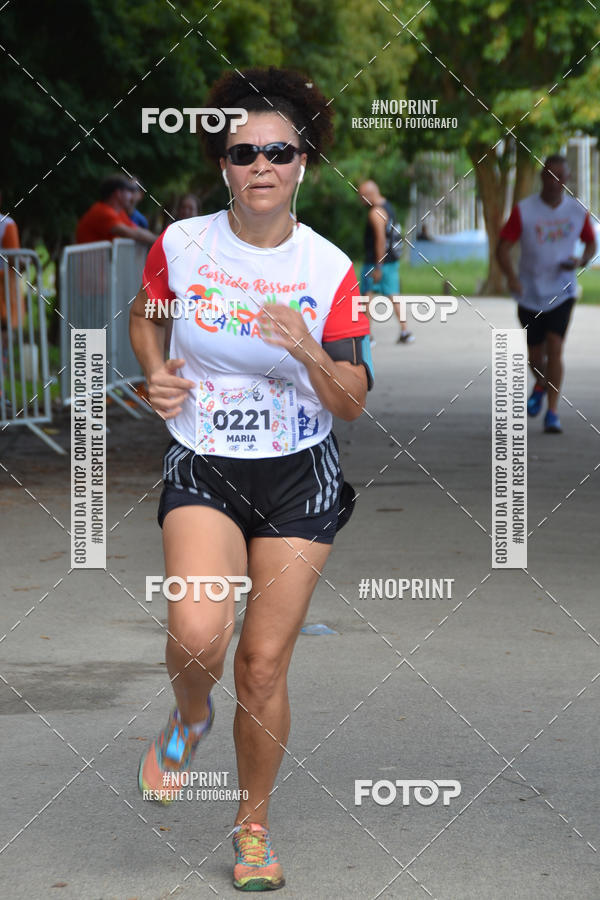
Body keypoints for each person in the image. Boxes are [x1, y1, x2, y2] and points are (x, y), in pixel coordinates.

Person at [129, 66, 373, 892]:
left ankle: (252, 826)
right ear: (223, 165)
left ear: (303, 162)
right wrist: (157, 373)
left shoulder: (331, 267)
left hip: (299, 478)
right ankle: (189, 716)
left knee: (263, 665)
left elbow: (352, 403)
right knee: (199, 634)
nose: (261, 164)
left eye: (280, 149)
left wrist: (307, 346)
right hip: (204, 462)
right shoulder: (182, 246)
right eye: (244, 152)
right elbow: (145, 316)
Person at [497, 155, 597, 433]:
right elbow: (502, 248)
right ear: (542, 178)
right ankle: (541, 383)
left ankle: (552, 412)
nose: (554, 183)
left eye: (560, 177)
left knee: (556, 348)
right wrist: (512, 277)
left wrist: (580, 261)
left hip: (563, 292)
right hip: (529, 293)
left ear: (567, 180)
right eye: (549, 176)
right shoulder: (525, 211)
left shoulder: (577, 211)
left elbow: (590, 244)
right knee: (534, 357)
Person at [358, 179, 414, 344]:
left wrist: (378, 266)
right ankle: (405, 331)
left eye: (361, 196)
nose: (360, 200)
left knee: (367, 296)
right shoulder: (388, 206)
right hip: (391, 260)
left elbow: (380, 240)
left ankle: (367, 336)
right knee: (393, 295)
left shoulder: (375, 213)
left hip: (376, 262)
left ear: (369, 195)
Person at [76, 174, 155, 245]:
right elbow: (132, 233)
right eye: (129, 191)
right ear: (118, 193)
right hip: (89, 261)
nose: (131, 196)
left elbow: (136, 230)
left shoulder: (118, 212)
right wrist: (159, 241)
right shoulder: (103, 211)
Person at [0, 194, 24, 329]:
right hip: (4, 292)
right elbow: (14, 260)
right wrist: (25, 261)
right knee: (4, 335)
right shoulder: (7, 225)